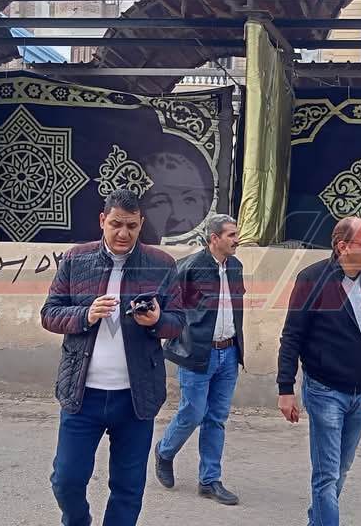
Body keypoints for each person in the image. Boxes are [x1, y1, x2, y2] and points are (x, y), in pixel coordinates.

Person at [41, 188, 183, 526]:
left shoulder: (161, 264)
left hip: (136, 398)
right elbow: (49, 314)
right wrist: (85, 315)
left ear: (141, 224)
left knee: (128, 488)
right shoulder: (76, 259)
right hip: (82, 394)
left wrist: (157, 321)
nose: (123, 233)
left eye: (131, 226)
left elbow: (179, 322)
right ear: (103, 220)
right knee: (66, 479)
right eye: (116, 224)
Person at [276, 216, 361, 526]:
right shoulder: (312, 280)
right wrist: (285, 389)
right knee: (326, 474)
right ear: (343, 247)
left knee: (341, 469)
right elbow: (292, 336)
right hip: (325, 391)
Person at [154, 214, 245, 505]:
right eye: (231, 235)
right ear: (214, 238)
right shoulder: (189, 267)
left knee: (216, 418)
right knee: (193, 413)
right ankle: (164, 451)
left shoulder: (236, 267)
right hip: (197, 353)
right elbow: (166, 304)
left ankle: (209, 480)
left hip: (229, 353)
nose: (237, 240)